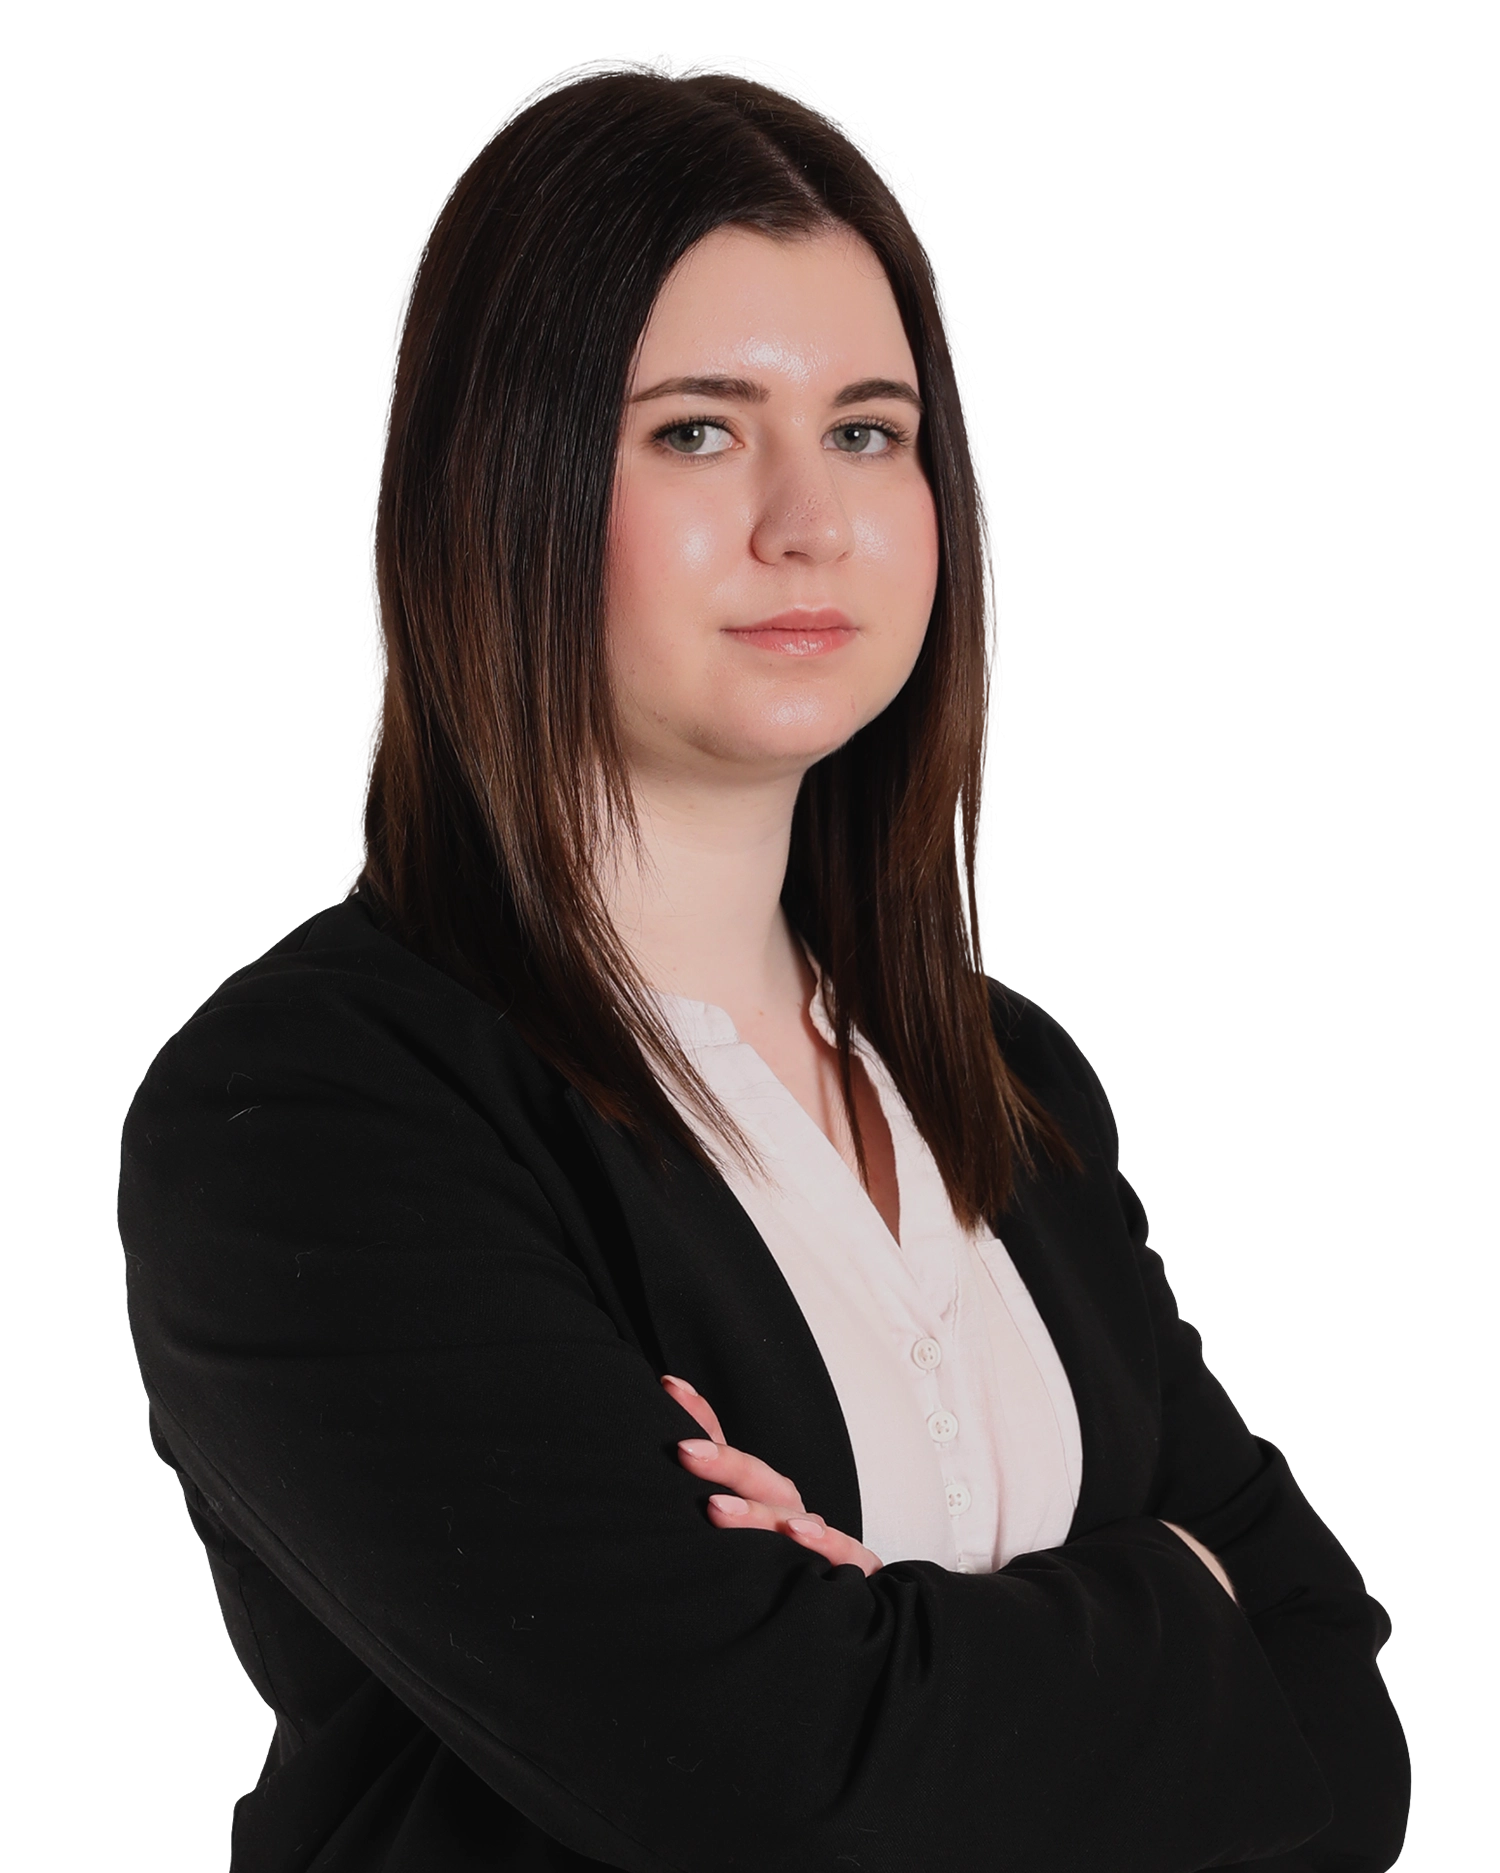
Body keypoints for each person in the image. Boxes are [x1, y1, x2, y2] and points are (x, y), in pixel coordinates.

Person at [116, 47, 1411, 1873]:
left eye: (868, 431)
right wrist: (1175, 1601)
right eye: (698, 431)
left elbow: (1344, 1735)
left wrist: (880, 1648)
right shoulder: (313, 1121)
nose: (811, 521)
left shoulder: (1008, 1094)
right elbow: (771, 1797)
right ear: (503, 484)